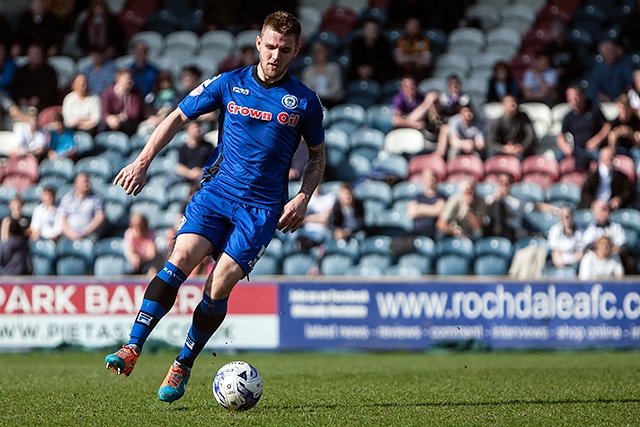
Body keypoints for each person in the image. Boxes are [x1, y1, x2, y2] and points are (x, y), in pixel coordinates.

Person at [104, 11, 326, 404]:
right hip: (217, 192)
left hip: (260, 209)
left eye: (285, 49)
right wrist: (142, 161)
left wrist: (304, 196)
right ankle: (132, 346)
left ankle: (183, 364)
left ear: (296, 51)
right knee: (180, 259)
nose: (276, 55)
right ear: (259, 43)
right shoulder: (228, 83)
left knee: (218, 283)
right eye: (271, 46)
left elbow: (317, 156)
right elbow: (175, 117)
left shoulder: (305, 102)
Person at [556, 85, 610, 170]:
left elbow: (607, 126)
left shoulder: (594, 109)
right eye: (570, 97)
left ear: (582, 96)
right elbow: (561, 136)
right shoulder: (568, 117)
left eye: (575, 96)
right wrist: (565, 147)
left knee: (604, 160)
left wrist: (597, 140)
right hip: (576, 150)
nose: (573, 100)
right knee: (555, 159)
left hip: (594, 149)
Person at [578, 146, 634, 210]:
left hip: (611, 208)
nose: (611, 158)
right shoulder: (592, 175)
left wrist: (619, 199)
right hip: (594, 207)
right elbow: (585, 193)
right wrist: (595, 203)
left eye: (613, 156)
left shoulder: (621, 176)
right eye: (608, 156)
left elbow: (627, 192)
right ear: (601, 157)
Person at [59, 173, 107, 243]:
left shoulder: (96, 198)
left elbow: (100, 217)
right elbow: (63, 219)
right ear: (76, 184)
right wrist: (70, 233)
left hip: (90, 233)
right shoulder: (67, 198)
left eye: (88, 182)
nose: (87, 184)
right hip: (70, 233)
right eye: (84, 182)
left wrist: (85, 232)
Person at [165, 121, 214, 188]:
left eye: (199, 127)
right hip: (187, 176)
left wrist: (201, 171)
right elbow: (179, 167)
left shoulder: (208, 146)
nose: (198, 129)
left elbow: (214, 163)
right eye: (195, 127)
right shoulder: (183, 148)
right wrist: (190, 173)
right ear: (187, 130)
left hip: (203, 175)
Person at [347, 19, 395, 84]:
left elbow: (385, 62)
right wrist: (360, 69)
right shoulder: (356, 42)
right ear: (363, 30)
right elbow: (354, 60)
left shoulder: (384, 42)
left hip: (377, 71)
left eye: (375, 28)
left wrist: (371, 70)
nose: (373, 31)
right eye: (369, 29)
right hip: (359, 71)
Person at [11, 43, 58, 110]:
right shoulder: (21, 71)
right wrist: (20, 98)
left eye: (38, 54)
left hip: (43, 103)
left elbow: (51, 89)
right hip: (23, 103)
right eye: (33, 54)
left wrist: (38, 98)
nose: (36, 56)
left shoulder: (49, 71)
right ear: (28, 55)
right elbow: (15, 87)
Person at [301, 42, 345, 109]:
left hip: (333, 102)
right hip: (314, 102)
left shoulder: (335, 68)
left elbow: (336, 88)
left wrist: (323, 96)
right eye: (318, 52)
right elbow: (307, 89)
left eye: (323, 52)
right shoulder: (308, 71)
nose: (321, 55)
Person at [100, 68, 143, 135]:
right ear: (118, 80)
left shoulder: (135, 94)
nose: (130, 82)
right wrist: (110, 119)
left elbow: (134, 113)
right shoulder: (107, 93)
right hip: (111, 124)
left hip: (128, 125)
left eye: (131, 79)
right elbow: (105, 112)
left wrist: (120, 118)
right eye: (127, 79)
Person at [542, 21, 582, 94]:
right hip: (553, 78)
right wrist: (554, 71)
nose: (558, 33)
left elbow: (577, 63)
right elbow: (544, 62)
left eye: (560, 30)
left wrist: (565, 70)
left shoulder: (571, 46)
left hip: (570, 76)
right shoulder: (548, 47)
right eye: (555, 30)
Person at [407, 168, 446, 239]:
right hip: (417, 232)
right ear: (423, 179)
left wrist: (419, 208)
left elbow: (438, 211)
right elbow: (412, 212)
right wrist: (433, 208)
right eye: (428, 177)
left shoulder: (441, 197)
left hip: (434, 233)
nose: (431, 179)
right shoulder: (417, 197)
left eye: (433, 176)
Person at [394, 17, 432, 81]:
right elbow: (399, 60)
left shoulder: (425, 41)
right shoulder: (401, 40)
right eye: (411, 24)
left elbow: (426, 62)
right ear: (406, 26)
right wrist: (418, 56)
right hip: (404, 73)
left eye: (416, 25)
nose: (414, 27)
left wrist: (407, 57)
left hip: (420, 74)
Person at [547, 206, 584, 271]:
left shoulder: (579, 232)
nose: (564, 219)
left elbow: (579, 253)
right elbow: (555, 253)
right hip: (560, 263)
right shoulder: (554, 230)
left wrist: (569, 261)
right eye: (562, 216)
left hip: (575, 263)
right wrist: (561, 263)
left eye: (567, 217)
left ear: (572, 217)